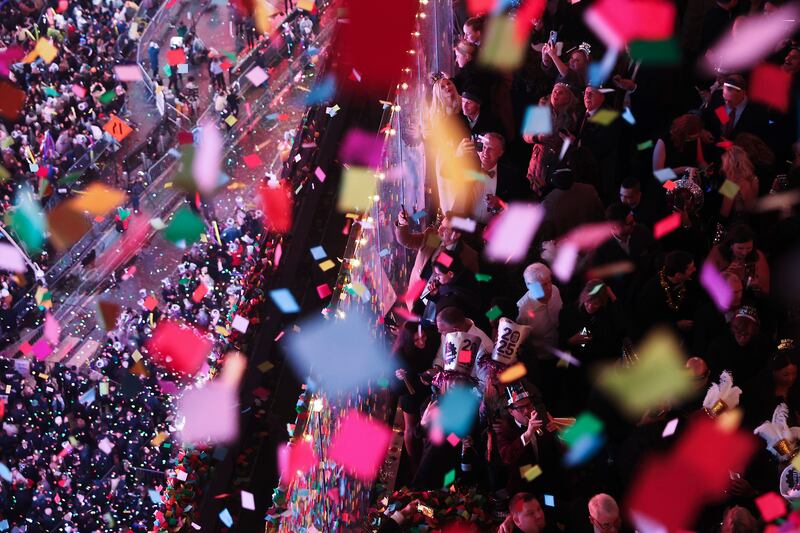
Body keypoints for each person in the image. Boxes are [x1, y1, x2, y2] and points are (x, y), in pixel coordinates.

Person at [394, 211, 479, 313]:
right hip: (415, 294)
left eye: (445, 228)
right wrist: (402, 224)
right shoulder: (434, 238)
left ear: (456, 235)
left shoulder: (468, 256)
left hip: (435, 308)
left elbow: (469, 289)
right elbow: (407, 240)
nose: (439, 229)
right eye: (441, 225)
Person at [393, 321, 439, 475]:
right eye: (416, 340)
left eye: (423, 337)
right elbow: (395, 389)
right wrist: (399, 377)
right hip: (410, 394)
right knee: (411, 430)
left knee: (429, 427)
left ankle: (429, 460)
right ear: (408, 341)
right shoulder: (399, 355)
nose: (422, 342)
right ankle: (414, 464)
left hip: (429, 390)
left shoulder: (432, 339)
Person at [707, 223, 770, 294]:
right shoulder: (718, 252)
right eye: (740, 248)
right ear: (731, 245)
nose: (744, 253)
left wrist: (757, 286)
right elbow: (706, 284)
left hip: (748, 298)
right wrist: (725, 275)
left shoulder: (757, 255)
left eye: (749, 248)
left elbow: (766, 290)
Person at [719, 146, 760, 220]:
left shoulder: (732, 182)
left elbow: (724, 213)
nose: (722, 166)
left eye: (723, 162)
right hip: (750, 224)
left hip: (736, 225)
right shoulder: (753, 178)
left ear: (730, 163)